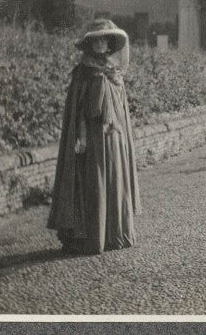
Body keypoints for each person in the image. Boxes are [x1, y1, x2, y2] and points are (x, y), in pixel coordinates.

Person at [47, 18, 142, 255]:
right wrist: (80, 135)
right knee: (94, 183)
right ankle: (91, 236)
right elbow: (78, 109)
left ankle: (113, 234)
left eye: (104, 39)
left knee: (114, 180)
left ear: (109, 43)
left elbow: (121, 109)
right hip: (92, 138)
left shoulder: (115, 73)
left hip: (114, 139)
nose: (100, 44)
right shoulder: (83, 73)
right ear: (90, 44)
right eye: (96, 40)